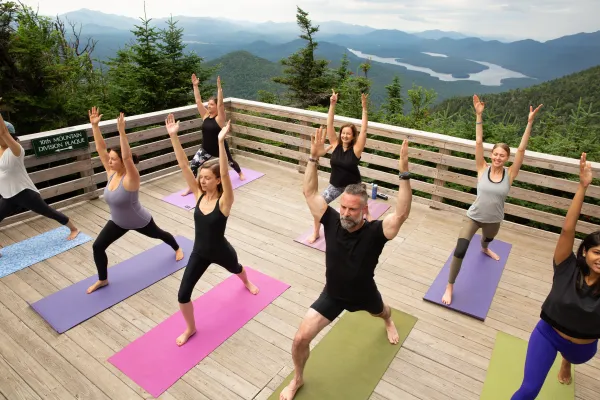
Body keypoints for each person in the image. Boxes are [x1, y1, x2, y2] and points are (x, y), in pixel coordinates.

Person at [279, 127, 413, 400]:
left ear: (365, 210)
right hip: (333, 294)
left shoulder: (376, 232)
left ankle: (388, 321)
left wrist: (404, 173)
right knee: (300, 339)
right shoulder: (331, 221)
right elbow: (309, 192)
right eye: (343, 207)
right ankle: (298, 379)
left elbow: (401, 214)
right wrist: (313, 160)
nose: (346, 213)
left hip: (364, 293)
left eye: (352, 209)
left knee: (382, 311)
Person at [165, 113, 259, 347]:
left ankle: (246, 281)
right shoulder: (197, 196)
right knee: (182, 294)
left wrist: (220, 143)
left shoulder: (225, 202)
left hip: (221, 250)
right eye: (201, 178)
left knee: (236, 267)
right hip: (199, 252)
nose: (202, 181)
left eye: (207, 178)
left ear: (217, 181)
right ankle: (191, 328)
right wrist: (174, 137)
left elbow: (226, 174)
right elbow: (184, 165)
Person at [512, 153, 599, 399]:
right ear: (585, 251)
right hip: (548, 335)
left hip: (582, 350)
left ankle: (566, 362)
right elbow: (567, 229)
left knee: (572, 357)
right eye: (597, 252)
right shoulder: (566, 266)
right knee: (528, 390)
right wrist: (583, 187)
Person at [441, 95, 543, 305]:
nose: (498, 158)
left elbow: (522, 150)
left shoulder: (510, 174)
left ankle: (485, 248)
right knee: (460, 250)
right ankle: (450, 285)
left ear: (506, 158)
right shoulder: (482, 168)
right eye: (495, 154)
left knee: (488, 239)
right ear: (491, 155)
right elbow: (478, 142)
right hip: (474, 217)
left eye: (502, 155)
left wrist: (530, 122)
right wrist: (479, 116)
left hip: (494, 220)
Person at [86, 108, 183, 294]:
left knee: (160, 234)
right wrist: (95, 126)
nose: (110, 161)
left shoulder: (131, 178)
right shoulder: (111, 172)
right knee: (98, 246)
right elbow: (100, 148)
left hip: (140, 220)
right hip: (117, 222)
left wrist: (122, 132)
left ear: (122, 162)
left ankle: (177, 247)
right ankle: (103, 279)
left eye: (114, 159)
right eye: (110, 159)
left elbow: (128, 157)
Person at [0, 114, 80, 257]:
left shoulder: (16, 150)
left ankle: (74, 229)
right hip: (7, 195)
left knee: (49, 212)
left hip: (24, 192)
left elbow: (4, 132)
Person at [308, 89, 370, 244]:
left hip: (353, 186)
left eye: (348, 134)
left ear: (353, 136)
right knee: (318, 204)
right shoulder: (335, 144)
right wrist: (332, 104)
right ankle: (316, 232)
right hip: (335, 185)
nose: (345, 136)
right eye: (343, 133)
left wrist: (364, 108)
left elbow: (364, 130)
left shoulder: (356, 150)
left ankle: (364, 219)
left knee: (358, 211)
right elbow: (329, 124)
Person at [182, 75, 245, 196]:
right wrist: (195, 86)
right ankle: (191, 187)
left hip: (219, 148)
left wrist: (219, 89)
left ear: (216, 107)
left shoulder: (219, 119)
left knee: (230, 162)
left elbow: (221, 105)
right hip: (206, 149)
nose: (208, 106)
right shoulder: (205, 116)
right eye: (208, 104)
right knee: (193, 166)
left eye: (211, 104)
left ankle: (240, 173)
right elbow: (198, 101)